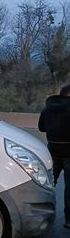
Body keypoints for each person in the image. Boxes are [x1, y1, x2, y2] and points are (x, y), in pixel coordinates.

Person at [39, 85, 70, 228]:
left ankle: (42, 216)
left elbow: (41, 127)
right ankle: (69, 220)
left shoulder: (48, 108)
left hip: (52, 150)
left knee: (48, 185)